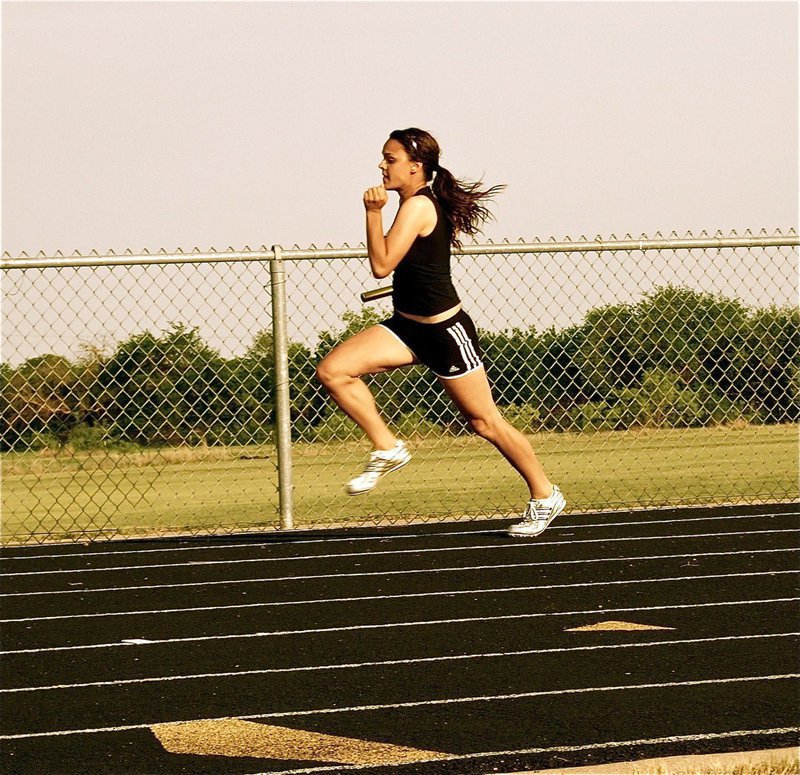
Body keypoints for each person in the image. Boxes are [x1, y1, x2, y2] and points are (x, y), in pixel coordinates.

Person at [316, 128, 565, 537]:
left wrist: (372, 212)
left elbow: (381, 266)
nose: (381, 165)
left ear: (415, 167)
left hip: (445, 333)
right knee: (334, 371)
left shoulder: (417, 207)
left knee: (485, 423)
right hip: (406, 328)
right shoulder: (412, 203)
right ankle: (387, 446)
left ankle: (544, 494)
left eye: (389, 159)